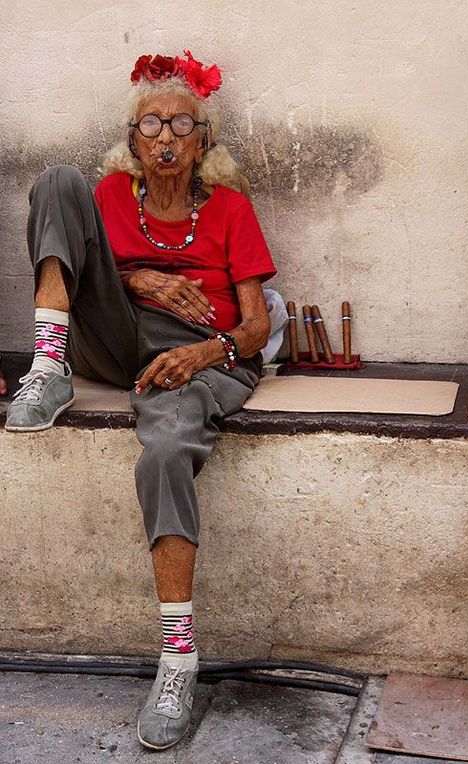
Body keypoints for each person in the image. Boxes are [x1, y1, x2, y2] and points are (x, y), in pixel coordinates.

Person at [6, 51, 277, 750]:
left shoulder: (230, 210)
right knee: (58, 181)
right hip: (117, 337)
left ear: (202, 141)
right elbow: (92, 262)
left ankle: (177, 661)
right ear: (132, 142)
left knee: (163, 450)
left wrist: (202, 352)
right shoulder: (107, 198)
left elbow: (255, 327)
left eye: (180, 124)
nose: (164, 137)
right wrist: (140, 281)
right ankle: (48, 364)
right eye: (149, 124)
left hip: (200, 354)